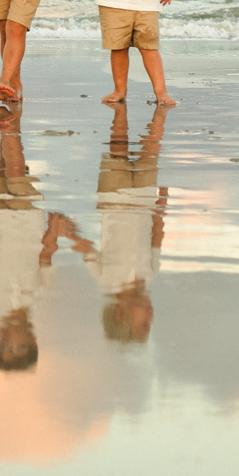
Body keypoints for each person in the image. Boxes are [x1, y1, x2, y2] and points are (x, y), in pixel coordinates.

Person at [0, 104, 92, 372]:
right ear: (33, 341)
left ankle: (12, 108)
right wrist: (53, 226)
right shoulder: (40, 296)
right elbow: (46, 252)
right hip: (28, 223)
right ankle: (11, 126)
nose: (9, 343)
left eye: (2, 347)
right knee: (16, 172)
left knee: (2, 169)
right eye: (18, 348)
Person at [82, 102, 171, 343]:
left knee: (118, 146)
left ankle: (119, 107)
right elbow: (155, 240)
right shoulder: (150, 276)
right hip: (143, 201)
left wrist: (66, 231)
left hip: (114, 199)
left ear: (121, 314)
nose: (151, 317)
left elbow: (86, 251)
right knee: (151, 150)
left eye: (143, 322)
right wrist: (160, 208)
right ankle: (159, 114)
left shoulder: (106, 279)